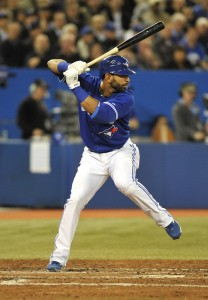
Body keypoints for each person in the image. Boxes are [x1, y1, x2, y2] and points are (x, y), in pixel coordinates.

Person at [46, 55, 182, 272]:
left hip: (120, 152)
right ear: (108, 77)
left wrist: (73, 84)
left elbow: (102, 114)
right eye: (122, 75)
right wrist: (69, 67)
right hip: (92, 156)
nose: (127, 79)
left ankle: (165, 220)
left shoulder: (126, 98)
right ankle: (58, 258)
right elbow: (51, 63)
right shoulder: (88, 81)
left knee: (125, 184)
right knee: (74, 202)